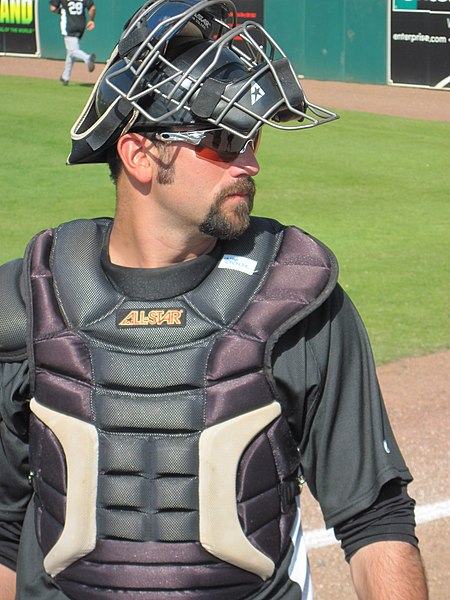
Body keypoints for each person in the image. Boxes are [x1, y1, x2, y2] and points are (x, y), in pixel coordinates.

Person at [0, 1, 428, 599]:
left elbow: (374, 520)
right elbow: (2, 522)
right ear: (139, 154)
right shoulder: (26, 301)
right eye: (223, 141)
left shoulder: (299, 304)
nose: (250, 162)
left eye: (251, 138)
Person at [49, 0, 96, 85]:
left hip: (69, 26)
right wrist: (92, 20)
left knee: (72, 51)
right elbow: (92, 8)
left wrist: (62, 11)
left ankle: (88, 58)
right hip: (81, 25)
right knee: (70, 52)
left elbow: (52, 8)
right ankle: (65, 77)